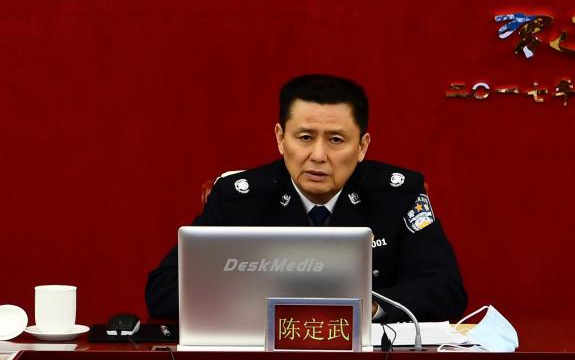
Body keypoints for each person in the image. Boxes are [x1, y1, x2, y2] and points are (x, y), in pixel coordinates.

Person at [144, 74, 467, 323]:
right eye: (305, 137)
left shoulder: (398, 196)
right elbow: (164, 290)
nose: (318, 155)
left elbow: (446, 289)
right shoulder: (238, 199)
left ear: (362, 147)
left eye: (336, 140)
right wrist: (268, 303)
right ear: (281, 139)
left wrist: (368, 307)